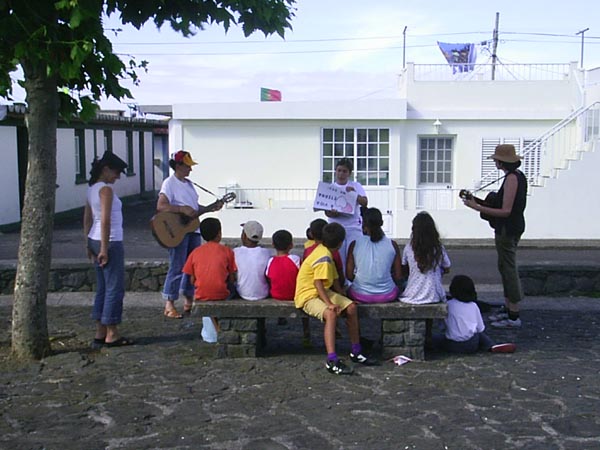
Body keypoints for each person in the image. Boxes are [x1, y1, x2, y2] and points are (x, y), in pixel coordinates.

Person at [295, 222, 378, 375]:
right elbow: (317, 283)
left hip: (322, 291)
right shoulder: (324, 257)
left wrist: (343, 298)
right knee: (331, 314)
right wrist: (329, 304)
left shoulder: (328, 253)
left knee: (352, 307)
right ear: (340, 243)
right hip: (308, 294)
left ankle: (356, 350)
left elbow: (333, 280)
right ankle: (332, 359)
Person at [463, 144, 528, 329]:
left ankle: (513, 315)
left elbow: (505, 211)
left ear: (501, 161)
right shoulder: (515, 177)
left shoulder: (512, 179)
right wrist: (478, 202)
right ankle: (508, 309)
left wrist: (477, 207)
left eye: (496, 160)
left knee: (509, 268)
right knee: (504, 266)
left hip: (508, 229)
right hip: (510, 227)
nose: (495, 162)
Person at [156, 150, 223, 319]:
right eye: (187, 166)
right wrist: (180, 209)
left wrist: (209, 207)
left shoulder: (189, 184)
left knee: (191, 267)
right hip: (177, 231)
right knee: (177, 266)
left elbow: (192, 207)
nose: (190, 170)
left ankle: (188, 298)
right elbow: (161, 206)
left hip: (193, 229)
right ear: (178, 166)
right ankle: (169, 303)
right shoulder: (169, 183)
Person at [83, 151, 133, 348]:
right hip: (110, 242)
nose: (118, 176)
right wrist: (104, 247)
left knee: (102, 288)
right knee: (114, 288)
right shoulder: (105, 191)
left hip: (95, 239)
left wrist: (87, 243)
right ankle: (112, 332)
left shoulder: (91, 189)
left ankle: (100, 331)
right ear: (105, 169)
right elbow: (104, 219)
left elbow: (87, 218)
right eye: (116, 172)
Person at [182, 218, 237, 342]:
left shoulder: (195, 252)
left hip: (202, 293)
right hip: (222, 293)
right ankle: (220, 328)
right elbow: (232, 278)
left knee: (207, 294)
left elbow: (191, 280)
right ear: (219, 233)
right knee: (233, 290)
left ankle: (213, 332)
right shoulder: (227, 251)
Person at [432, 275, 516, 354]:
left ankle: (429, 344)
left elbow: (442, 327)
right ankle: (491, 345)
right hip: (472, 344)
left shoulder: (448, 305)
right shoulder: (474, 305)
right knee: (479, 335)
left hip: (453, 345)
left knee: (437, 338)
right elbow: (480, 328)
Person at [346, 207, 402, 303]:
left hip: (359, 294)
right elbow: (398, 276)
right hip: (388, 294)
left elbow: (349, 275)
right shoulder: (392, 245)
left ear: (363, 224)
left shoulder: (355, 244)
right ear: (382, 223)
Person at [265, 229, 311, 346]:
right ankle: (306, 333)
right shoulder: (295, 259)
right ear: (291, 245)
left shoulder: (271, 261)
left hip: (276, 295)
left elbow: (268, 277)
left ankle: (280, 318)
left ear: (273, 245)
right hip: (295, 295)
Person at [324, 157, 368, 272]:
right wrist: (334, 213)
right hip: (336, 226)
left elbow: (365, 203)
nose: (341, 174)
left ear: (349, 173)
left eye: (344, 171)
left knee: (355, 255)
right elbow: (327, 212)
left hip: (353, 226)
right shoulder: (331, 188)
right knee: (338, 257)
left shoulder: (356, 185)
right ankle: (342, 281)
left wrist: (354, 194)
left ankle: (354, 280)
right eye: (339, 170)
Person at [400, 211, 451, 305]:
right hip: (434, 295)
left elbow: (404, 269)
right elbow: (447, 267)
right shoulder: (438, 247)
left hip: (412, 295)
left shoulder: (408, 247)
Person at [233, 221, 272, 300]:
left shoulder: (235, 252)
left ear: (244, 236)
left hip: (242, 293)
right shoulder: (266, 253)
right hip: (263, 293)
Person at [303, 218, 345, 286]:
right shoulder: (332, 252)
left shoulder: (308, 250)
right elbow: (340, 272)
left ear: (311, 234)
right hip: (322, 287)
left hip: (310, 284)